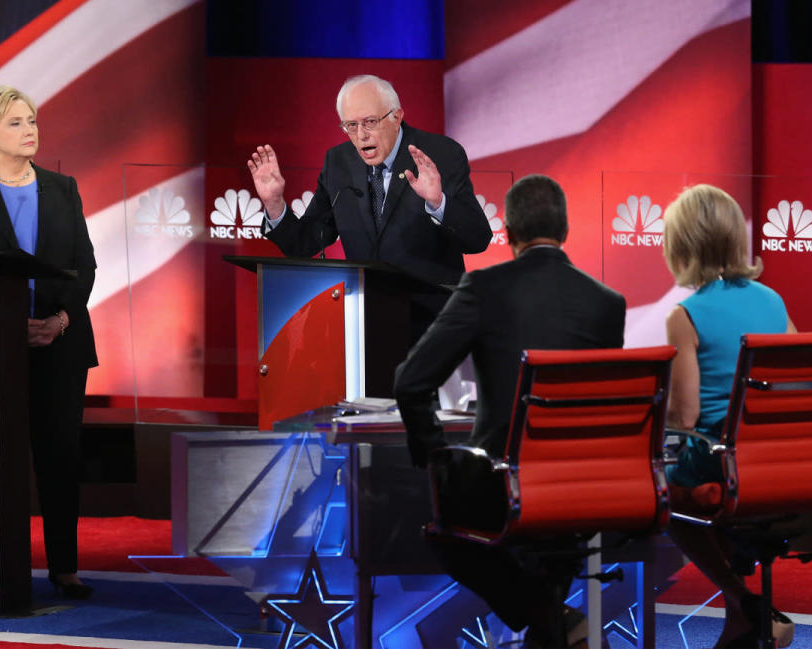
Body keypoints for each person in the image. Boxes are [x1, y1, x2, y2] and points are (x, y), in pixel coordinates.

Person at [394, 174, 626, 647]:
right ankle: (550, 620)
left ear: (511, 233)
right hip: (587, 488)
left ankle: (546, 619)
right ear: (563, 230)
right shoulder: (608, 305)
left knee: (442, 530)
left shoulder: (483, 287)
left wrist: (434, 455)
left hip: (503, 487)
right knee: (553, 548)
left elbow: (411, 381)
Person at [0, 86, 97, 600]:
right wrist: (7, 326)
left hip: (60, 341)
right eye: (15, 122)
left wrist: (58, 319)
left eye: (31, 119)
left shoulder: (64, 187)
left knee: (59, 454)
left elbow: (87, 265)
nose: (29, 129)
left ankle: (64, 567)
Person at [247, 74, 491, 335]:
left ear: (396, 117)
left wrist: (437, 202)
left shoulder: (441, 154)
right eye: (350, 125)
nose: (361, 135)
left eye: (370, 122)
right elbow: (305, 242)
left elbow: (478, 239)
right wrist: (274, 203)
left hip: (433, 326)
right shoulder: (338, 162)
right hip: (365, 325)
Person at [662, 184, 796, 648]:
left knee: (667, 498)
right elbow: (798, 385)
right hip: (779, 462)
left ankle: (743, 600)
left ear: (681, 245)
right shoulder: (773, 302)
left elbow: (686, 413)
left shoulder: (685, 315)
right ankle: (740, 617)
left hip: (722, 463)